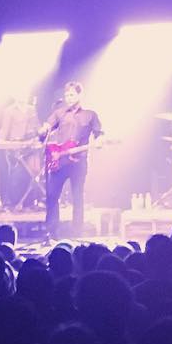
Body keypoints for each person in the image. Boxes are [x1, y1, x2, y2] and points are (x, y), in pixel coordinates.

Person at [37, 82, 102, 239]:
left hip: (79, 162)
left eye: (72, 95)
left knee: (77, 197)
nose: (69, 98)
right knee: (52, 195)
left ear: (80, 95)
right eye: (67, 95)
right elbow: (47, 126)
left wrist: (99, 140)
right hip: (60, 161)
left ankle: (77, 232)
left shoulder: (90, 115)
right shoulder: (59, 113)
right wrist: (43, 130)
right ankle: (52, 231)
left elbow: (99, 134)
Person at [0, 93, 41, 207]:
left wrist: (40, 133)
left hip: (30, 144)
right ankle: (14, 202)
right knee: (16, 174)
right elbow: (4, 128)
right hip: (15, 146)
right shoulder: (9, 111)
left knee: (32, 172)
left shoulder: (31, 109)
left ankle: (29, 202)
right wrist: (2, 141)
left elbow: (37, 126)